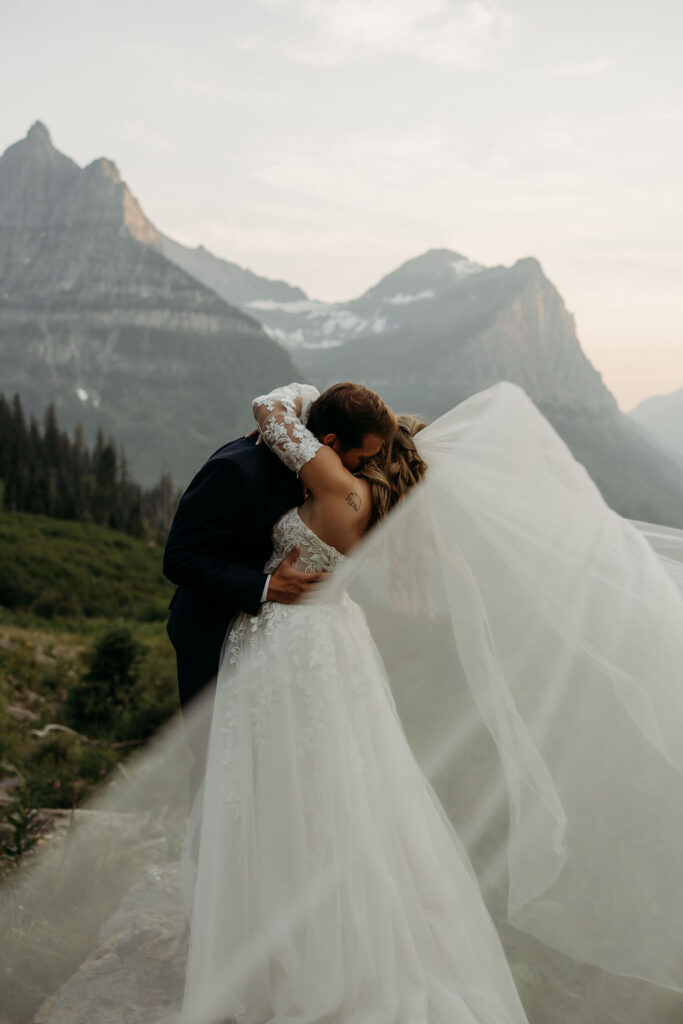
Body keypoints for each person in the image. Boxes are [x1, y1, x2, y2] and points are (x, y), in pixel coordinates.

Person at [178, 382, 532, 1024]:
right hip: (333, 642)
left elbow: (268, 406)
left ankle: (268, 939)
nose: (359, 462)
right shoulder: (374, 499)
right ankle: (304, 926)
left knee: (277, 788)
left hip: (289, 646)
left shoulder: (339, 485)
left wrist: (296, 408)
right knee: (336, 787)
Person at [162, 381, 397, 797]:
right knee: (222, 770)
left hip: (273, 645)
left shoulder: (318, 467)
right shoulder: (239, 468)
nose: (369, 465)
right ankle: (213, 862)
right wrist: (266, 585)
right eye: (364, 456)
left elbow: (303, 394)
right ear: (329, 442)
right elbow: (180, 558)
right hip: (213, 638)